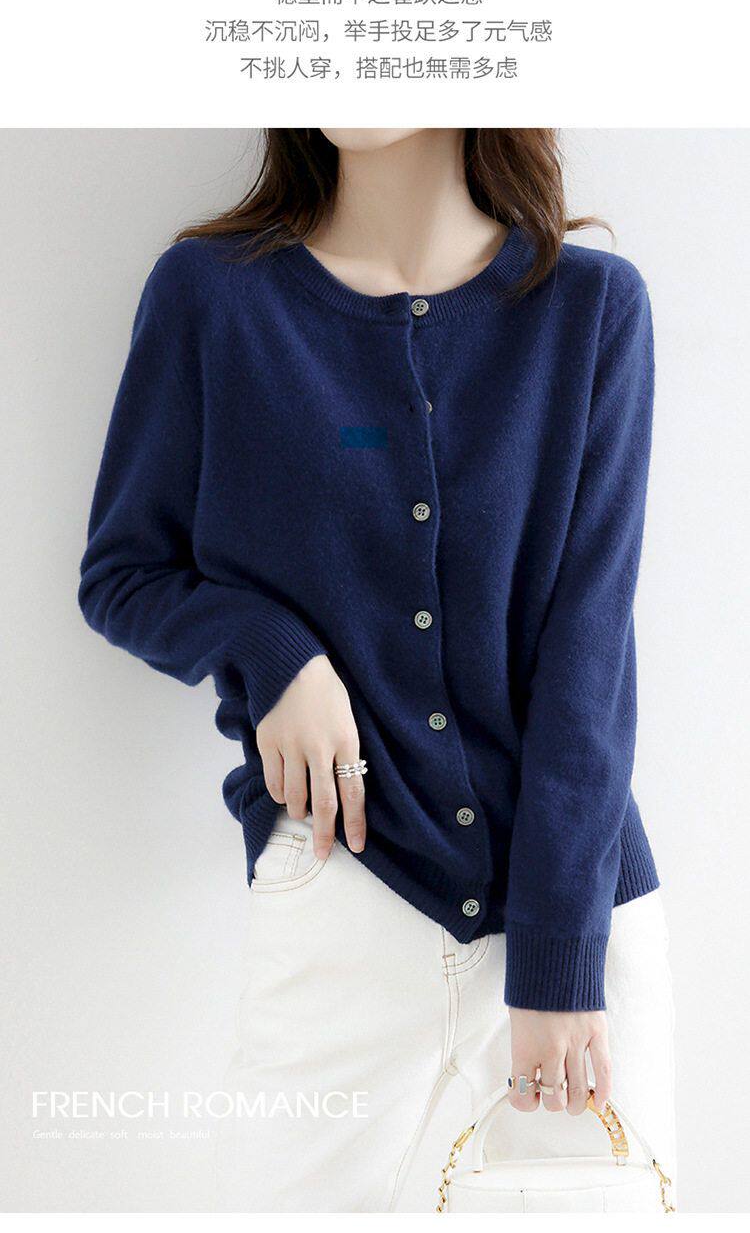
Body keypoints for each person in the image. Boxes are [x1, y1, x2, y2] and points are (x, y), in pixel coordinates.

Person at [77, 128, 676, 1212]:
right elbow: (124, 574)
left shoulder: (592, 311)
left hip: (574, 920)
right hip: (342, 893)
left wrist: (556, 958)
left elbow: (589, 661)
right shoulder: (213, 297)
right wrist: (274, 652)